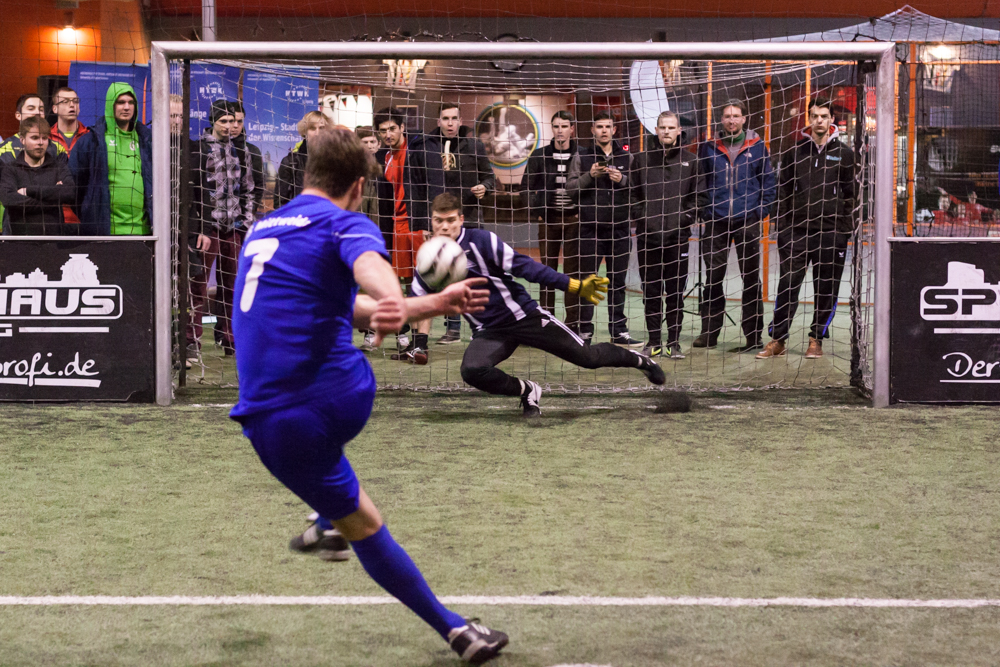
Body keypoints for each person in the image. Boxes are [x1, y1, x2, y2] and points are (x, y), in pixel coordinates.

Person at [230, 127, 508, 665]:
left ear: (308, 176)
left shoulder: (264, 227)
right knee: (360, 519)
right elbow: (370, 272)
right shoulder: (346, 221)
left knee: (362, 524)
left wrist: (421, 305)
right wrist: (395, 298)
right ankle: (329, 521)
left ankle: (457, 630)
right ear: (358, 187)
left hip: (269, 426)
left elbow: (344, 300)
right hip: (342, 396)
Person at [413, 193, 666, 416]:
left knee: (587, 358)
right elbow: (416, 300)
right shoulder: (428, 260)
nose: (444, 226)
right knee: (472, 370)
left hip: (525, 317)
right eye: (438, 220)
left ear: (461, 219)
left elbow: (525, 267)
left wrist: (574, 285)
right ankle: (528, 390)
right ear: (431, 222)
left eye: (450, 220)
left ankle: (640, 361)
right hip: (490, 331)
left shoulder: (481, 241)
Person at [757, 96, 856, 360]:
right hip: (796, 233)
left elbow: (852, 195)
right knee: (788, 284)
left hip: (830, 234)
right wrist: (783, 229)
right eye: (814, 116)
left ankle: (816, 339)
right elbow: (783, 192)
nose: (819, 120)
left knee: (826, 288)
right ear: (809, 119)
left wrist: (843, 230)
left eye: (824, 116)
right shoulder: (795, 152)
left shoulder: (845, 153)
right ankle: (778, 339)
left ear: (831, 119)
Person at [695, 98, 776, 352]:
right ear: (721, 119)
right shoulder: (709, 147)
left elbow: (769, 183)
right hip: (716, 222)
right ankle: (709, 334)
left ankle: (753, 338)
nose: (732, 120)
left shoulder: (758, 146)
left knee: (750, 280)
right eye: (727, 116)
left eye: (736, 116)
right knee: (713, 278)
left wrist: (760, 211)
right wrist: (705, 211)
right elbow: (700, 181)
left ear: (744, 119)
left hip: (747, 222)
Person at [412, 102, 496, 345]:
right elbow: (418, 186)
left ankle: (483, 325)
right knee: (445, 273)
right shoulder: (426, 147)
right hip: (441, 223)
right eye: (446, 118)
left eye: (454, 118)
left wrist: (485, 187)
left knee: (476, 272)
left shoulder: (474, 146)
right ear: (438, 121)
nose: (450, 123)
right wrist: (425, 221)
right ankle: (453, 328)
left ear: (460, 121)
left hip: (470, 218)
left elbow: (489, 177)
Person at [566, 111, 641, 347]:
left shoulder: (627, 157)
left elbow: (639, 189)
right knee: (588, 280)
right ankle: (584, 330)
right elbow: (571, 189)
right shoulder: (582, 156)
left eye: (608, 127)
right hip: (590, 228)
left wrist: (623, 180)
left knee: (618, 281)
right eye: (599, 127)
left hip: (619, 228)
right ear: (593, 130)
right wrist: (590, 175)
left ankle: (618, 330)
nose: (604, 131)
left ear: (614, 130)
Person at [187, 100, 254, 358]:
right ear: (213, 122)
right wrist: (200, 227)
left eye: (233, 121)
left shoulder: (242, 151)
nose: (229, 126)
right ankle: (191, 340)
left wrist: (246, 222)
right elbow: (194, 192)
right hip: (209, 227)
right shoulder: (200, 148)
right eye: (223, 121)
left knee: (233, 285)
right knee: (198, 285)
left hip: (234, 227)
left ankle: (230, 337)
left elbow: (249, 189)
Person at [632, 110, 702, 359]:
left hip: (677, 239)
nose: (667, 131)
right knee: (651, 292)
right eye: (663, 127)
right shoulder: (641, 160)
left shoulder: (691, 161)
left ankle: (673, 343)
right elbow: (632, 195)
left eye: (671, 128)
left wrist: (683, 220)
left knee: (674, 293)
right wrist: (644, 218)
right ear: (656, 130)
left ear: (679, 131)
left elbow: (699, 198)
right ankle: (653, 342)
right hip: (648, 238)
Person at [69, 82, 153, 236]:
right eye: (120, 102)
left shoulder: (147, 140)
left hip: (144, 233)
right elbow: (75, 186)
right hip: (105, 233)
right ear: (110, 105)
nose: (126, 107)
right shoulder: (91, 141)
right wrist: (90, 213)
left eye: (131, 102)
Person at [374, 107, 424, 360]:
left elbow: (429, 185)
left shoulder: (416, 151)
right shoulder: (383, 156)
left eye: (392, 128)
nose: (388, 134)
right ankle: (411, 341)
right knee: (403, 283)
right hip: (395, 226)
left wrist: (427, 223)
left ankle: (420, 343)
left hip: (416, 225)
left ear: (402, 128)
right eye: (383, 130)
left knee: (420, 283)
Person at [524, 110, 580, 320]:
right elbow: (525, 188)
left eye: (564, 126)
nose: (560, 131)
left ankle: (572, 321)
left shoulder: (582, 154)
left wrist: (583, 211)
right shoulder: (539, 155)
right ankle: (547, 320)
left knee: (573, 272)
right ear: (552, 128)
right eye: (556, 126)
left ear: (572, 129)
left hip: (575, 220)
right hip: (548, 220)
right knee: (547, 271)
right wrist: (538, 211)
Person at [0, 116, 75, 235]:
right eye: (34, 138)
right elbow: (9, 200)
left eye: (44, 138)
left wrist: (29, 191)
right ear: (22, 140)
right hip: (20, 242)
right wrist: (53, 201)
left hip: (54, 242)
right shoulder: (10, 169)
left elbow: (69, 192)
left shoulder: (58, 166)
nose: (40, 142)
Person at [1, 94, 61, 233]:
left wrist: (26, 191)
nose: (37, 112)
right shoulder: (4, 150)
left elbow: (64, 191)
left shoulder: (57, 149)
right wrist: (49, 196)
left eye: (41, 109)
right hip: (14, 228)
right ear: (18, 115)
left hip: (53, 228)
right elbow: (9, 196)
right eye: (31, 108)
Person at [48, 87, 89, 227]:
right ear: (54, 109)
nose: (72, 105)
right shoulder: (44, 139)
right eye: (65, 101)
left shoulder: (91, 137)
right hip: (53, 217)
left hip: (85, 218)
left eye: (75, 101)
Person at [274, 110, 328, 209]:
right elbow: (280, 204)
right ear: (304, 132)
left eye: (321, 128)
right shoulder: (290, 162)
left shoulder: (335, 161)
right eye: (312, 128)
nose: (317, 133)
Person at [228, 101, 265, 219]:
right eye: (232, 121)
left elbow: (258, 186)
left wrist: (250, 212)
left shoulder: (252, 151)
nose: (235, 125)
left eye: (239, 121)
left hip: (243, 217)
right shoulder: (209, 148)